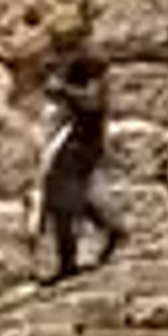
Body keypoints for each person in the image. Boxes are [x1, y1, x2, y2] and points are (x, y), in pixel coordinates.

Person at [31, 42, 125, 282]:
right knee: (64, 209)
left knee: (75, 206)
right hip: (72, 154)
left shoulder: (92, 97)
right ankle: (67, 262)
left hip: (81, 155)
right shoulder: (75, 96)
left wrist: (62, 88)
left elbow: (91, 104)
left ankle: (102, 241)